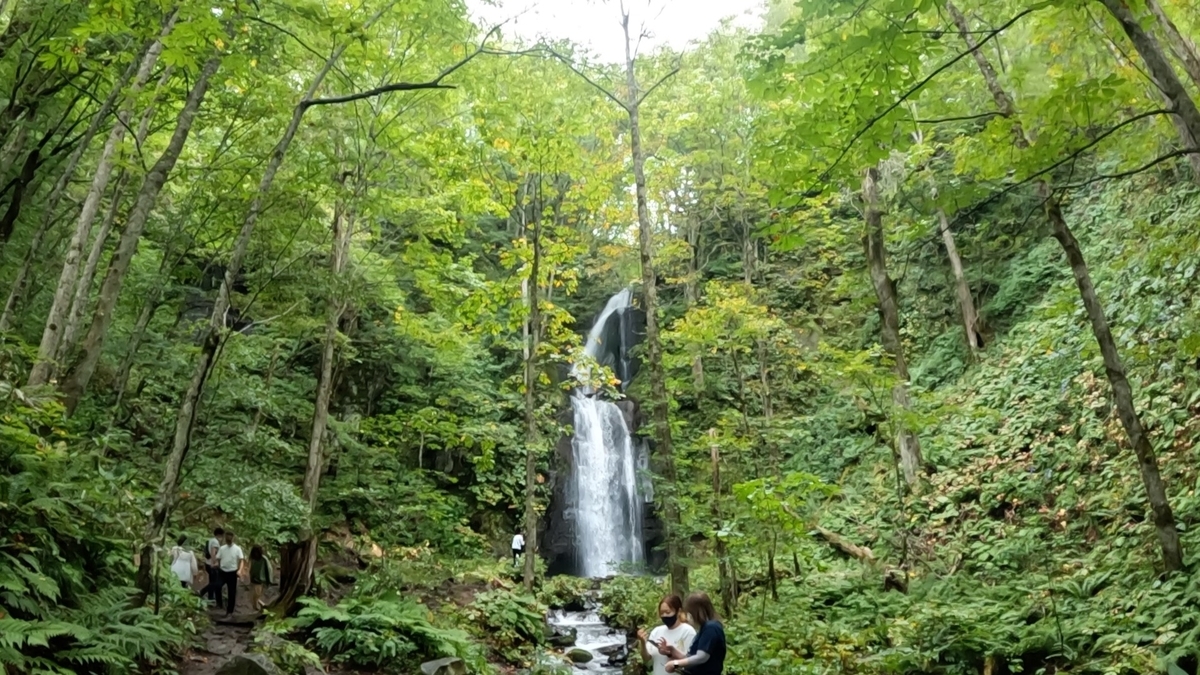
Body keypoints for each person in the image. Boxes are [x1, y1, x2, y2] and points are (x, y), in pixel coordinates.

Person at [665, 592, 726, 675]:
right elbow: (693, 657)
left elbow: (701, 657)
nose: (688, 617)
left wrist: (676, 663)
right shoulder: (704, 628)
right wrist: (674, 652)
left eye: (689, 613)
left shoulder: (711, 628)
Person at [636, 595, 696, 675]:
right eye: (662, 613)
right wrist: (643, 642)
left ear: (678, 611)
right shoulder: (656, 631)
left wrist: (670, 653)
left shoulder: (688, 631)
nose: (664, 616)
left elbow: (692, 661)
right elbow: (647, 659)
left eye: (668, 612)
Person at [216, 530, 245, 617]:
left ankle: (230, 611)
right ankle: (220, 604)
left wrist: (240, 570)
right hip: (222, 571)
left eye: (230, 537)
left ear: (233, 538)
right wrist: (219, 565)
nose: (229, 538)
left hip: (232, 572)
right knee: (217, 586)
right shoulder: (222, 548)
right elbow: (218, 557)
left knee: (231, 592)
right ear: (225, 538)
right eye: (227, 536)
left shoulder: (237, 549)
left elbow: (241, 560)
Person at [200, 527, 224, 605]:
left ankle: (211, 597)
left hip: (208, 563)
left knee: (212, 581)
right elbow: (213, 552)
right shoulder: (215, 542)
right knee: (215, 582)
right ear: (219, 535)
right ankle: (203, 591)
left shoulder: (210, 540)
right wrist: (214, 562)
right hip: (212, 564)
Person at [249, 545, 272, 611]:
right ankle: (256, 606)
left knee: (258, 593)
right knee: (256, 593)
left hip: (261, 579)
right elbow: (251, 569)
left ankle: (257, 605)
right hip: (255, 579)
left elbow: (268, 569)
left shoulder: (264, 559)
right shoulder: (252, 559)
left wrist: (269, 580)